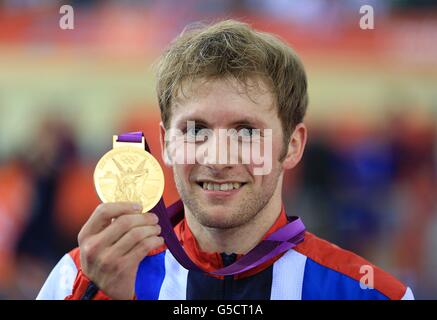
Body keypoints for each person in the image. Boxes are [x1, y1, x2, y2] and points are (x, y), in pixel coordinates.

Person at [37, 20, 414, 300]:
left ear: (294, 145)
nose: (217, 158)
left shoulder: (371, 294)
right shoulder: (79, 278)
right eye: (196, 130)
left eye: (246, 131)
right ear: (166, 144)